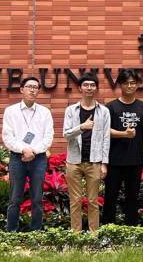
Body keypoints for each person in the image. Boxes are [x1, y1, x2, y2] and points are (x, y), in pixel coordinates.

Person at [2, 76, 54, 232]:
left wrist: (34, 151)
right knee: (14, 199)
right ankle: (11, 233)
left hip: (38, 159)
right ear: (21, 89)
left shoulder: (45, 112)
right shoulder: (10, 111)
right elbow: (7, 136)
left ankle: (35, 233)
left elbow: (48, 136)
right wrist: (23, 149)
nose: (32, 90)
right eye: (29, 86)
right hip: (17, 158)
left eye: (36, 87)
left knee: (37, 199)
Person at [103, 69, 143, 226]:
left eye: (133, 83)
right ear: (120, 85)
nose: (130, 86)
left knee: (133, 197)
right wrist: (124, 135)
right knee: (110, 196)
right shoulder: (110, 107)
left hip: (134, 159)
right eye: (126, 83)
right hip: (114, 160)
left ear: (137, 85)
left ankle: (131, 231)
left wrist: (135, 139)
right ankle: (107, 230)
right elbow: (104, 131)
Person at [62, 72, 111, 232]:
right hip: (74, 162)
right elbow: (66, 134)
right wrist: (81, 127)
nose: (89, 88)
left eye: (92, 85)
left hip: (94, 161)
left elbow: (106, 138)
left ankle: (93, 235)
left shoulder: (103, 111)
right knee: (75, 200)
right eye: (85, 85)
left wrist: (104, 163)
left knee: (92, 201)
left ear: (96, 88)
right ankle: (76, 235)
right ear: (80, 88)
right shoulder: (71, 110)